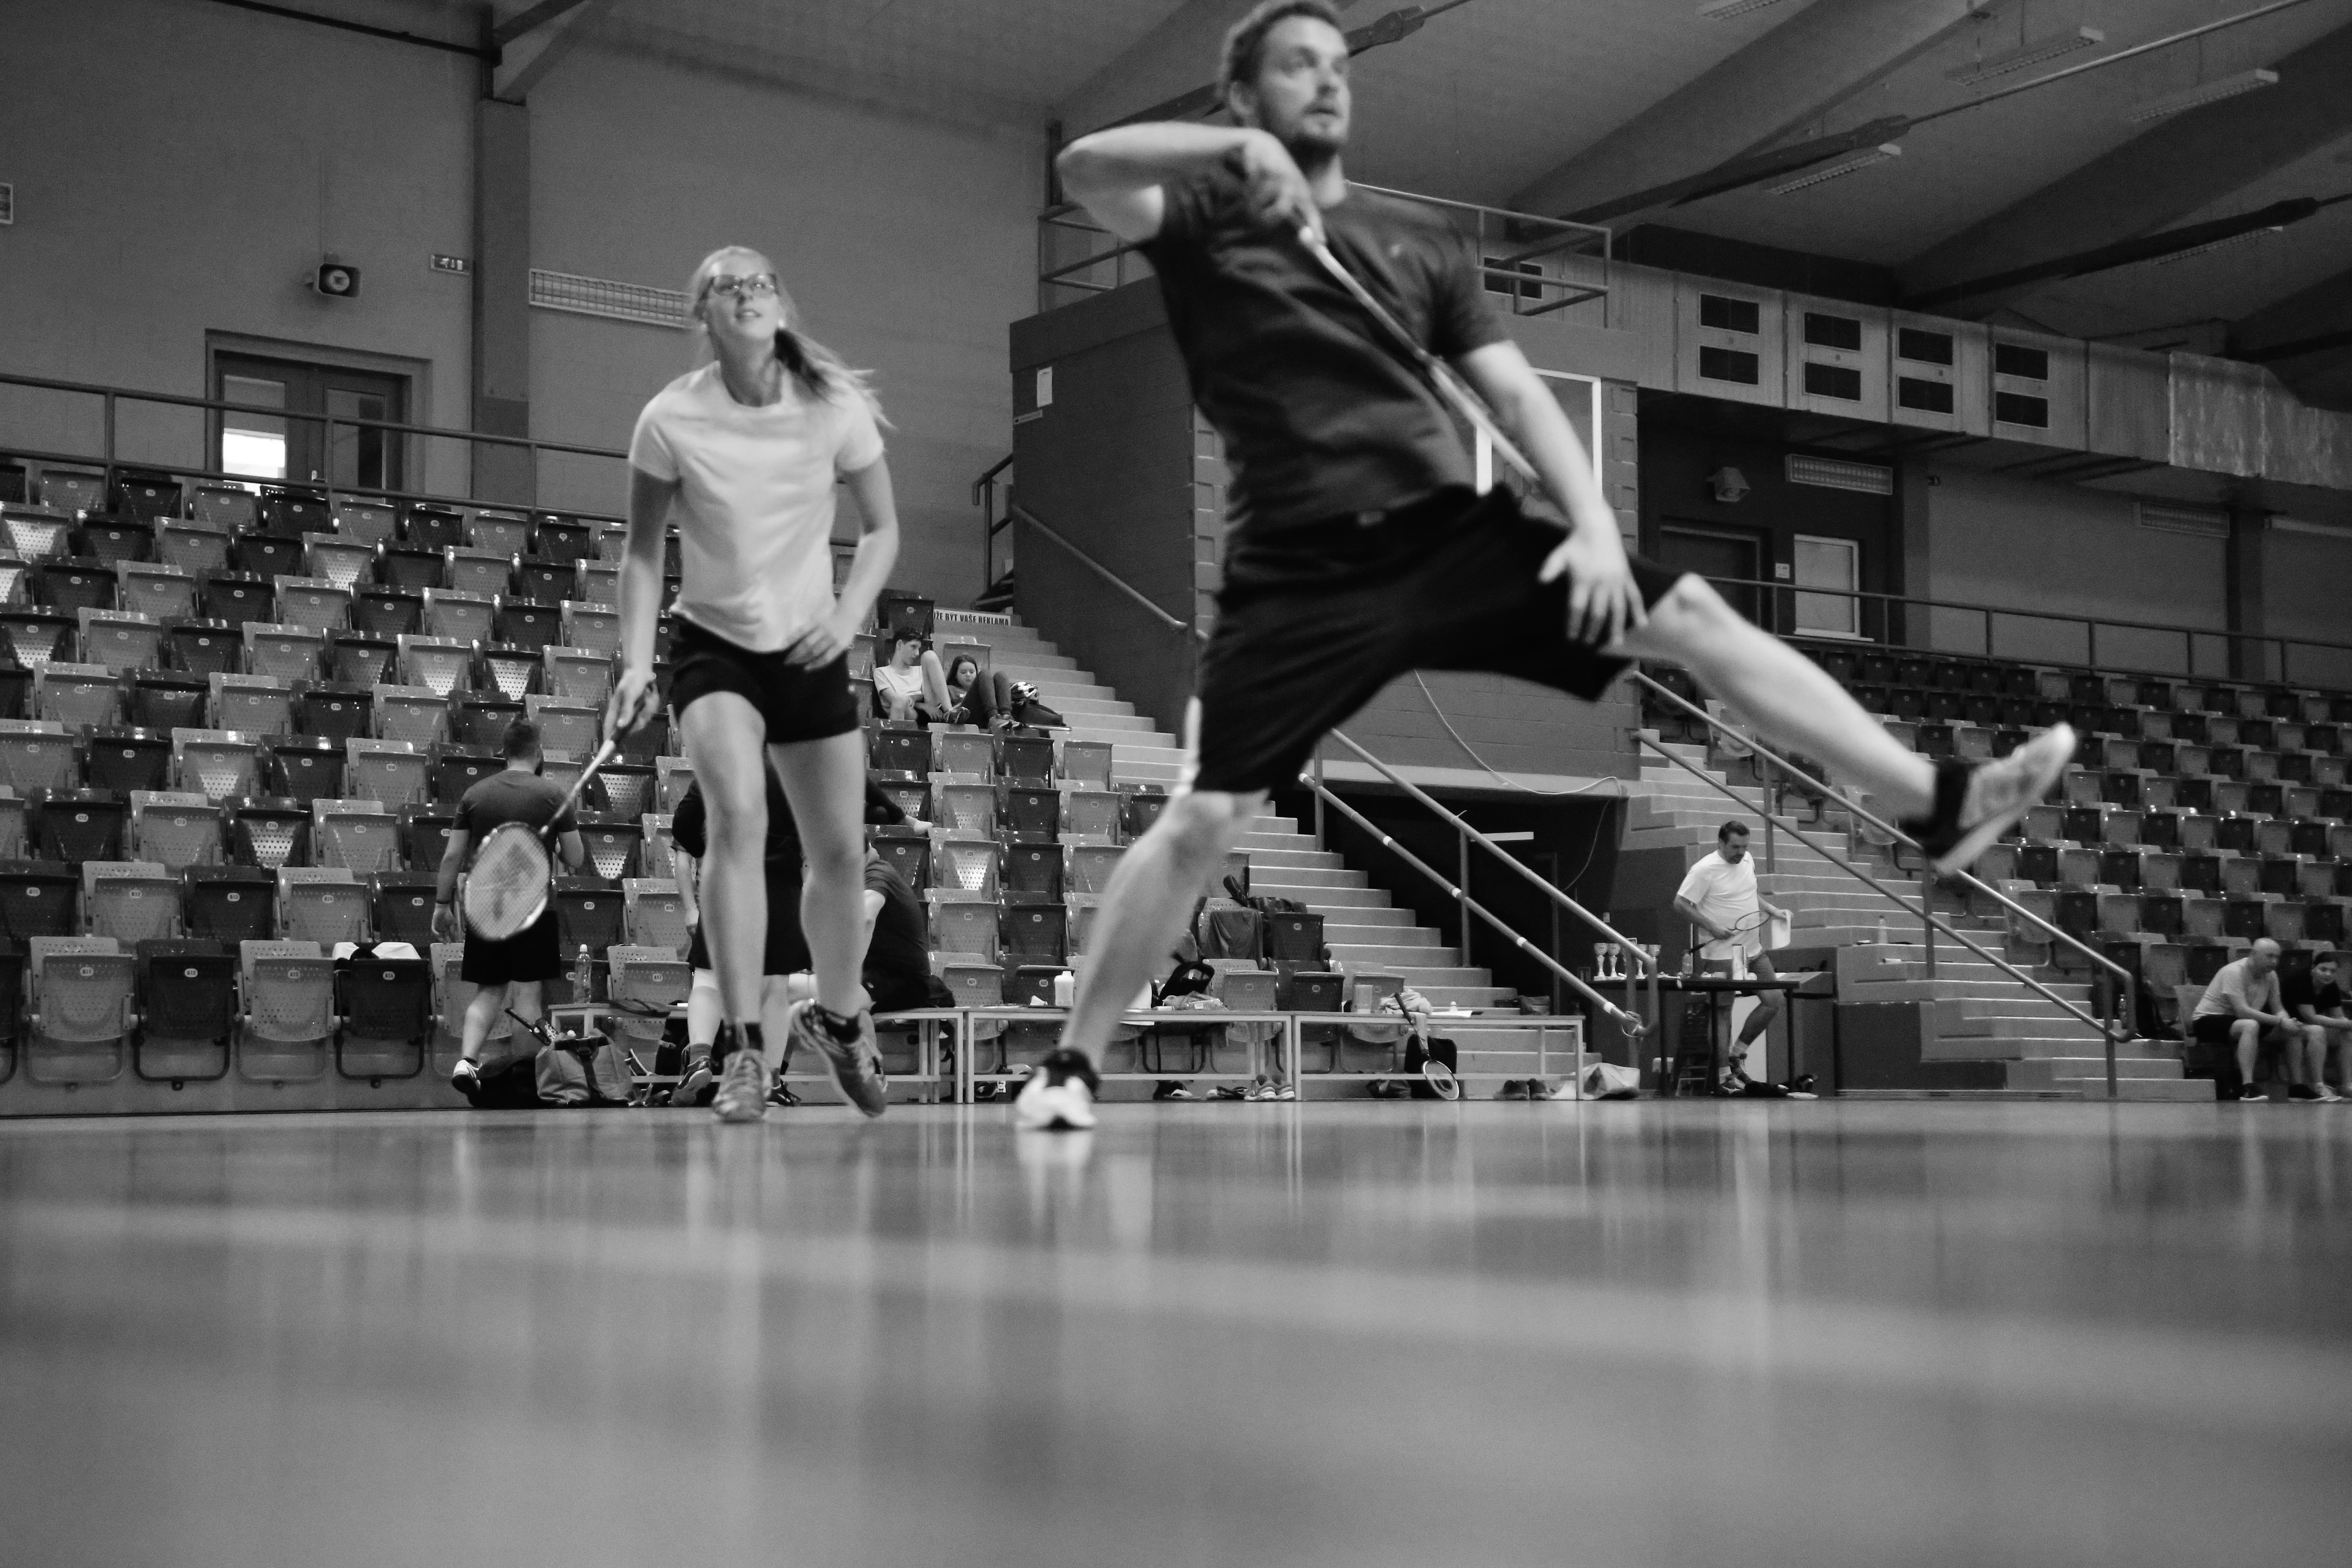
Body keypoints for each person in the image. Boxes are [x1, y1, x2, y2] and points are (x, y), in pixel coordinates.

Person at [1023, 0, 2074, 1132]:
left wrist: (1588, 523)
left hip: (1450, 538)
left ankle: (1935, 802)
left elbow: (1519, 396)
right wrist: (1234, 155)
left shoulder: (1417, 240)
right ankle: (1071, 1065)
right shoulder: (1205, 228)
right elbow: (1084, 169)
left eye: (1336, 64)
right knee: (1204, 822)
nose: (1325, 81)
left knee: (1695, 616)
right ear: (1244, 96)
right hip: (1298, 573)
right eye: (1295, 66)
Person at [609, 243, 899, 1124]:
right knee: (736, 818)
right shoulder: (670, 418)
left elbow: (881, 530)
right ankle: (740, 1050)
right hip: (714, 647)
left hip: (809, 646)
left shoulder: (832, 405)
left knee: (839, 853)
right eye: (727, 287)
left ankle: (840, 1018)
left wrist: (846, 621)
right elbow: (640, 553)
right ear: (702, 313)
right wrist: (635, 660)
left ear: (780, 304)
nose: (746, 293)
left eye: (760, 283)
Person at [671, 770, 924, 1106]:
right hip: (784, 885)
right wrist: (901, 818)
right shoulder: (798, 763)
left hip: (729, 877)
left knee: (708, 979)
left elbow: (684, 824)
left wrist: (708, 846)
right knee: (775, 988)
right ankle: (772, 1080)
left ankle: (700, 1057)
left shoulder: (725, 755)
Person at [435, 718, 587, 1099]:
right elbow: (576, 858)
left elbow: (452, 856)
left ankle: (467, 1062)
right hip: (534, 909)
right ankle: (525, 1079)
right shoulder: (553, 795)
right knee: (527, 997)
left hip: (486, 907)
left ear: (504, 752)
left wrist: (441, 905)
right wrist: (552, 844)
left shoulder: (475, 794)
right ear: (538, 752)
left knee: (488, 992)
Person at [1673, 821, 1790, 1087]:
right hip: (1721, 954)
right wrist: (1712, 926)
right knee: (1723, 1011)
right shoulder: (1704, 869)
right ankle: (1724, 1075)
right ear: (1721, 843)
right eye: (1735, 847)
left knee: (1774, 1000)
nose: (1741, 852)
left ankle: (1737, 1053)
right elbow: (1680, 904)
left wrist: (1771, 910)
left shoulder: (1747, 860)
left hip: (1753, 950)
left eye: (1745, 847)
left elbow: (1750, 893)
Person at [2188, 938, 2295, 1102]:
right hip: (2208, 1020)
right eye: (2270, 956)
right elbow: (2242, 1011)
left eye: (2277, 957)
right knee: (2250, 1025)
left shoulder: (2271, 976)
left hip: (2240, 1021)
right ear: (2253, 954)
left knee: (2296, 1032)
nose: (2275, 962)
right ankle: (2247, 1087)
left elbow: (2278, 1008)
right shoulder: (2234, 972)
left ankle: (2299, 1088)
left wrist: (2287, 1022)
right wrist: (2280, 1022)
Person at [2282, 951, 2349, 1103]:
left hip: (2306, 1027)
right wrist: (2347, 1024)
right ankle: (2318, 1085)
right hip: (2288, 1025)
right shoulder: (2300, 980)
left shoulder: (2331, 986)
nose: (2328, 974)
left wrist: (2346, 1024)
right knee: (2318, 1031)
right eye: (2323, 969)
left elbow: (2338, 1016)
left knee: (2347, 1033)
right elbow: (2310, 1017)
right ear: (2314, 969)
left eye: (2333, 971)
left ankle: (2347, 1085)